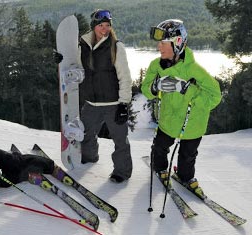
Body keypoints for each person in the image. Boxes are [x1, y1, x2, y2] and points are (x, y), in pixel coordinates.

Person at [141, 19, 221, 192]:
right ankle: (160, 168)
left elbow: (215, 97)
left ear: (178, 42)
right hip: (168, 119)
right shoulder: (156, 65)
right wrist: (155, 87)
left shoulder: (195, 70)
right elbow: (145, 89)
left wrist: (187, 89)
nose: (159, 48)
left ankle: (186, 177)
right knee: (160, 148)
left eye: (164, 44)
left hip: (192, 123)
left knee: (188, 155)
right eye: (159, 44)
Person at [55, 9, 133, 183]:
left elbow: (125, 76)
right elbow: (75, 66)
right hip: (91, 102)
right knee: (86, 134)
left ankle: (122, 171)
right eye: (100, 26)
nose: (104, 29)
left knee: (120, 139)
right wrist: (61, 59)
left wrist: (123, 103)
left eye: (107, 26)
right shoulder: (83, 45)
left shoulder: (115, 46)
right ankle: (90, 159)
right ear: (93, 26)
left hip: (113, 103)